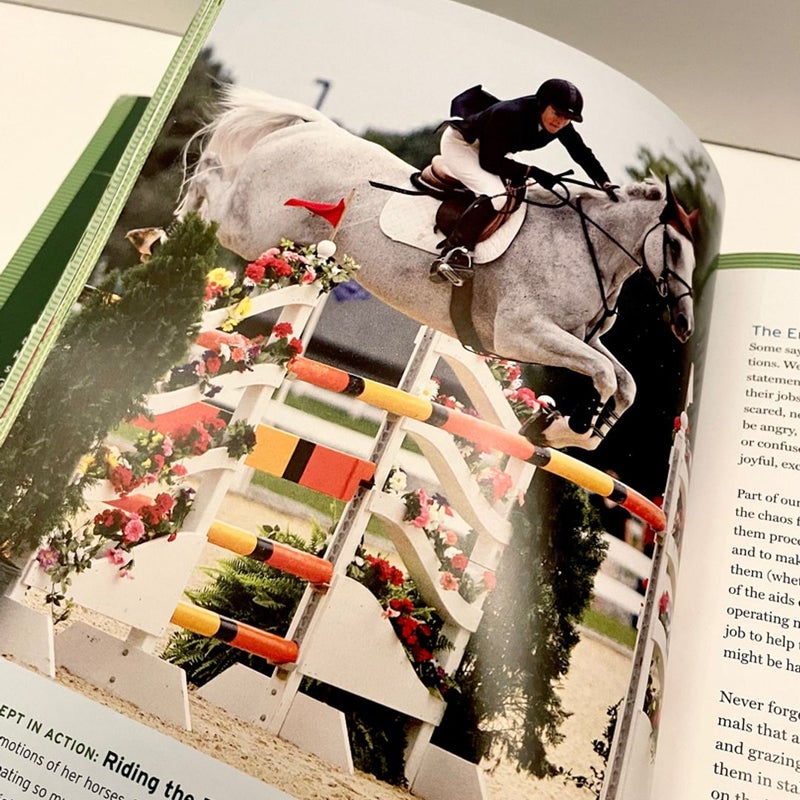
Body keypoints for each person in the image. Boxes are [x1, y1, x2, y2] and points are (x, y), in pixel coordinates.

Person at [430, 78, 619, 283]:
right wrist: (533, 171)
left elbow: (581, 152)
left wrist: (604, 183)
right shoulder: (510, 114)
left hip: (493, 148)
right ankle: (453, 253)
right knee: (497, 196)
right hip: (463, 146)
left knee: (527, 190)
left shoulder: (561, 125)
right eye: (557, 113)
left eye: (567, 118)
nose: (560, 122)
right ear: (541, 104)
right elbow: (489, 162)